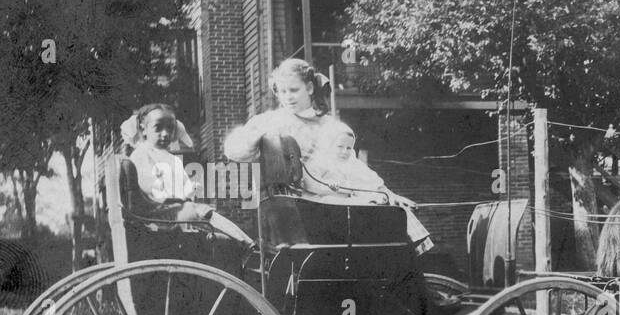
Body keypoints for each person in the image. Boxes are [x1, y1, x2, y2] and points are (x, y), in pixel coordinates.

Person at [224, 57, 433, 256]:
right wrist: (255, 135)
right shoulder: (269, 121)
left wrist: (386, 192)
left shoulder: (329, 126)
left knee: (390, 206)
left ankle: (415, 263)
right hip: (305, 204)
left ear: (310, 88)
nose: (288, 97)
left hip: (327, 197)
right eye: (283, 91)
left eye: (294, 90)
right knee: (387, 213)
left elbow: (352, 167)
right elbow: (234, 151)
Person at [122, 104, 256, 247]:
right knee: (200, 212)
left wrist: (189, 189)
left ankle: (241, 244)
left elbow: (182, 184)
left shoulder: (171, 158)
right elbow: (149, 187)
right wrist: (180, 193)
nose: (165, 133)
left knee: (203, 213)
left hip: (172, 209)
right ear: (144, 128)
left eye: (170, 128)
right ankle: (246, 243)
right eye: (158, 128)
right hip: (155, 215)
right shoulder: (142, 154)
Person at [301, 123, 434, 253]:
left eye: (349, 148)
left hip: (350, 204)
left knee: (392, 206)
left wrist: (394, 197)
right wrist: (336, 188)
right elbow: (310, 184)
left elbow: (375, 184)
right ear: (329, 144)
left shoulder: (353, 164)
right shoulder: (319, 162)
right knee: (373, 206)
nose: (344, 152)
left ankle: (414, 243)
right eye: (340, 146)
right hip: (331, 208)